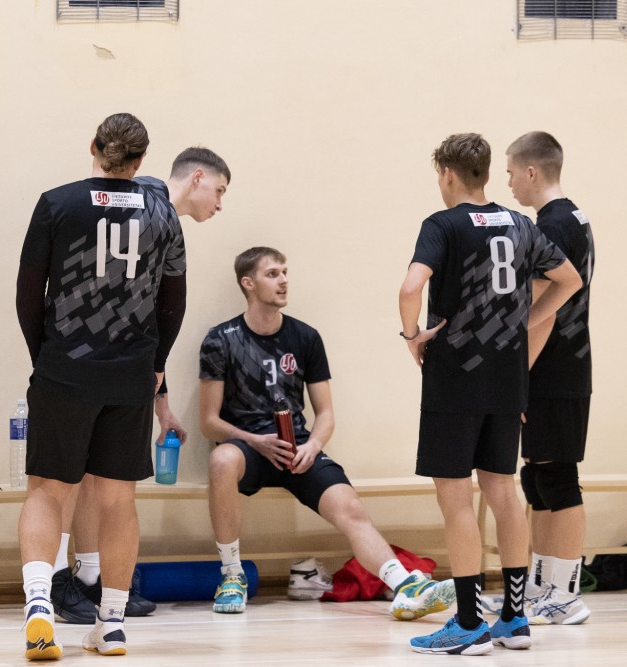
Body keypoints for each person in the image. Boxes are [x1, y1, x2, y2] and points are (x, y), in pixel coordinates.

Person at [200, 246, 456, 621]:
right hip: (248, 447)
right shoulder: (221, 339)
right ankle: (231, 576)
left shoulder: (305, 336)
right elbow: (209, 422)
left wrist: (314, 445)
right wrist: (256, 442)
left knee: (350, 508)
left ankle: (406, 587)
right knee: (221, 459)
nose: (284, 280)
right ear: (248, 283)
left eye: (285, 272)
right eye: (272, 274)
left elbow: (326, 414)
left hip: (297, 449)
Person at [399, 133, 581, 655]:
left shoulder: (443, 224)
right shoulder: (521, 224)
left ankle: (466, 623)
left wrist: (412, 336)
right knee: (503, 491)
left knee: (456, 498)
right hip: (507, 378)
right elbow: (568, 280)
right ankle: (514, 619)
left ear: (448, 174)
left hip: (455, 377)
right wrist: (524, 321)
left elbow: (411, 288)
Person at [16, 113, 186, 659]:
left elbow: (28, 293)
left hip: (64, 368)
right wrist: (157, 363)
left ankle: (39, 608)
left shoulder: (56, 203)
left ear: (93, 145)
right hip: (130, 372)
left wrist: (43, 357)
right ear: (141, 160)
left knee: (47, 490)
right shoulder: (162, 211)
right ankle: (111, 624)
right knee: (117, 500)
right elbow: (174, 300)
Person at [50, 147, 231, 625]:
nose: (220, 203)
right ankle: (54, 581)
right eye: (219, 190)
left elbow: (146, 314)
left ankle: (91, 576)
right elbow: (147, 308)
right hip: (84, 360)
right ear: (197, 178)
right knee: (69, 476)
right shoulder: (146, 201)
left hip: (118, 363)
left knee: (96, 476)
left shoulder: (154, 211)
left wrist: (161, 401)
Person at [506, 132, 594, 625]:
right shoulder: (571, 217)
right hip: (560, 368)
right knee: (536, 478)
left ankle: (567, 594)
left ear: (532, 171)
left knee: (558, 478)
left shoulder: (555, 224)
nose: (510, 183)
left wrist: (517, 379)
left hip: (555, 370)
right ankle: (543, 589)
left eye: (511, 173)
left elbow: (540, 313)